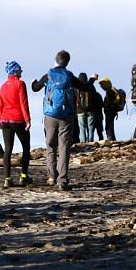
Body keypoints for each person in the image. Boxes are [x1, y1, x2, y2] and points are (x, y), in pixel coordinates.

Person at [31, 50, 97, 191]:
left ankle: (51, 177)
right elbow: (85, 88)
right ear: (67, 62)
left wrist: (34, 83)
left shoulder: (48, 75)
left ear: (56, 59)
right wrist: (92, 79)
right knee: (64, 148)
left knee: (50, 146)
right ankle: (62, 180)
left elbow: (35, 88)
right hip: (66, 115)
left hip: (50, 115)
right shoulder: (69, 76)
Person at [0, 61, 32, 188]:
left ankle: (7, 178)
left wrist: (1, 119)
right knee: (26, 147)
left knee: (8, 149)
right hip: (18, 119)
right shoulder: (20, 84)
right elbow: (24, 103)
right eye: (20, 70)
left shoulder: (2, 86)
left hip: (5, 120)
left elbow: (0, 105)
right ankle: (23, 176)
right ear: (15, 71)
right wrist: (27, 120)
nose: (22, 72)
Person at [99, 77, 123, 141]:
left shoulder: (110, 91)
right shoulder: (112, 90)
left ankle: (110, 138)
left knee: (108, 126)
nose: (101, 87)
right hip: (112, 111)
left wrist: (106, 106)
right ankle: (112, 139)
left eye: (102, 85)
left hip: (110, 111)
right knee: (110, 125)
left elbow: (108, 102)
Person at [76, 72, 96, 142]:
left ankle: (83, 142)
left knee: (82, 128)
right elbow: (95, 97)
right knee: (90, 127)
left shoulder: (76, 87)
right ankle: (90, 141)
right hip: (91, 110)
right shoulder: (91, 86)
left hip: (80, 111)